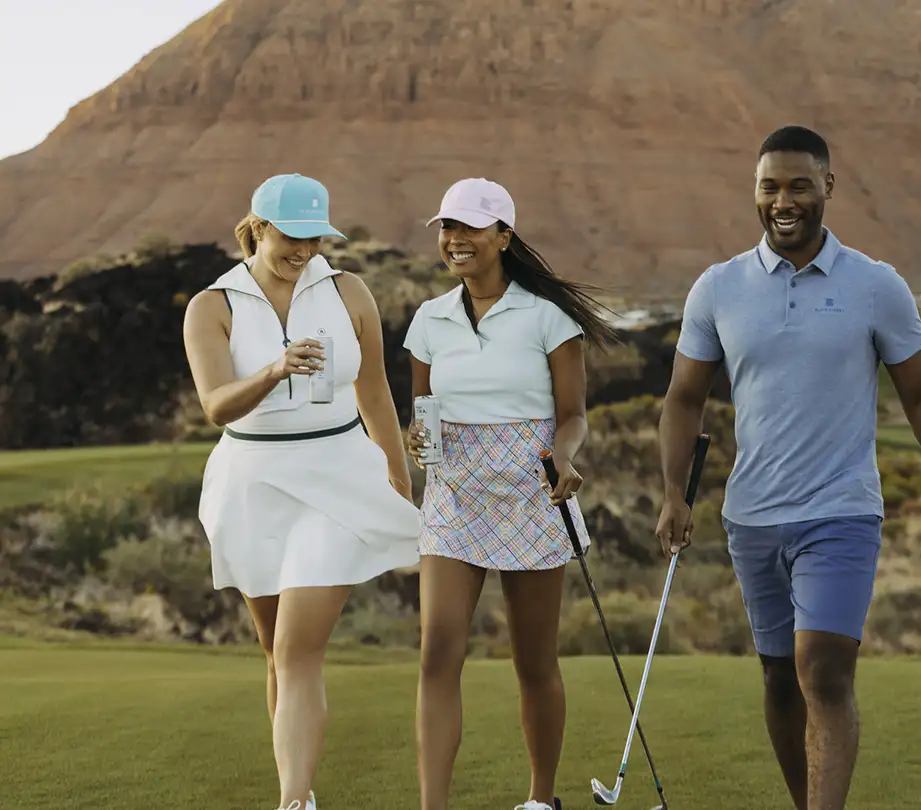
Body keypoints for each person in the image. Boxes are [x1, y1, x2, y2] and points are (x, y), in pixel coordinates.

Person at [654, 125, 921, 810]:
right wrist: (672, 494)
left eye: (799, 184)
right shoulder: (718, 289)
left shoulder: (876, 285)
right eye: (770, 186)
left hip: (842, 510)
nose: (784, 200)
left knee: (822, 670)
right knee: (779, 677)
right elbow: (684, 399)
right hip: (752, 518)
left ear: (828, 186)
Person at [182, 173, 422, 810]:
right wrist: (274, 369)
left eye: (316, 237)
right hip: (252, 486)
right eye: (292, 237)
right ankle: (302, 788)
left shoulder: (348, 290)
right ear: (258, 227)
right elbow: (215, 407)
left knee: (297, 649)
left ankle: (292, 803)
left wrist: (396, 478)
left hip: (340, 477)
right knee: (276, 656)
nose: (305, 250)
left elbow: (374, 391)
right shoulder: (214, 305)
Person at [402, 177, 619, 810]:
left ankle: (540, 800)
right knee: (438, 649)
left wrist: (567, 459)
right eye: (446, 227)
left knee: (533, 659)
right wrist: (418, 435)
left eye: (469, 227)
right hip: (454, 491)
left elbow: (573, 414)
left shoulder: (549, 316)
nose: (454, 239)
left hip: (533, 485)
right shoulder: (429, 319)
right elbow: (423, 409)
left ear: (504, 236)